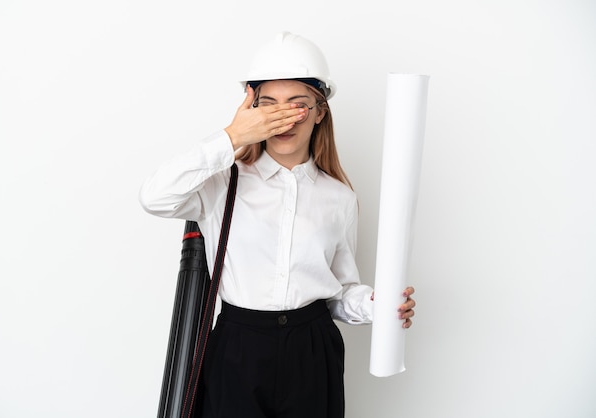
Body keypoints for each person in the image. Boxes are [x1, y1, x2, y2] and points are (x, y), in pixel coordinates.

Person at [139, 31, 416, 418]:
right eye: (268, 105)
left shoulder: (340, 198)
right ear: (251, 109)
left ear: (320, 111)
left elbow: (338, 292)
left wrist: (377, 304)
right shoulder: (222, 182)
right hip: (237, 348)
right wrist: (232, 136)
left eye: (297, 105)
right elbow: (154, 196)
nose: (282, 118)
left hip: (313, 350)